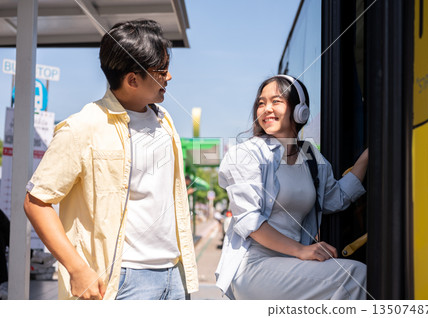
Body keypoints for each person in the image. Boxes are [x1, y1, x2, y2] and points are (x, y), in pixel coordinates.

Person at [23, 19, 198, 300]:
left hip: (174, 275)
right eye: (162, 71)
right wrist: (77, 269)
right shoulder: (81, 127)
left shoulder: (165, 122)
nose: (170, 77)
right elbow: (36, 202)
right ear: (132, 80)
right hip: (122, 280)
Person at [215, 75, 369, 300]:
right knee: (354, 275)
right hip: (254, 265)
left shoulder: (310, 157)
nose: (266, 109)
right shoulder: (246, 154)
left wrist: (368, 156)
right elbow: (250, 222)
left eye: (276, 101)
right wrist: (302, 250)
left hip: (292, 263)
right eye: (261, 103)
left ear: (300, 111)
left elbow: (336, 197)